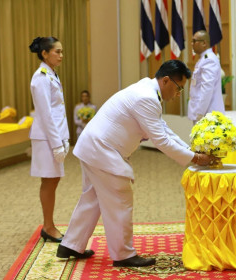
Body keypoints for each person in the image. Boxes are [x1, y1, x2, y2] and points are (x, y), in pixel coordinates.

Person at [56, 60, 217, 267]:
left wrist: (189, 149)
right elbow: (161, 140)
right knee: (120, 198)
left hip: (94, 147)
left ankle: (70, 244)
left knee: (93, 198)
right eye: (179, 88)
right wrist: (194, 158)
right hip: (101, 150)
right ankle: (123, 255)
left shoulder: (147, 90)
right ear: (166, 80)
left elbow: (163, 129)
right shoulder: (147, 97)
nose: (178, 94)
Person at [29, 36, 69, 243]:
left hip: (53, 136)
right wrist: (56, 144)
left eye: (62, 51)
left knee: (54, 179)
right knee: (49, 180)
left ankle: (50, 224)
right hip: (46, 138)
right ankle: (48, 226)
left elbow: (57, 111)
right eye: (57, 52)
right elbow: (45, 114)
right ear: (45, 54)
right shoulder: (41, 77)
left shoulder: (51, 74)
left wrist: (65, 139)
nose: (61, 55)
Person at [188, 30, 224, 125]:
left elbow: (206, 89)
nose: (192, 44)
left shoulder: (208, 60)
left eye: (194, 41)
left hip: (207, 114)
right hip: (204, 113)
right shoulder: (204, 58)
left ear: (204, 43)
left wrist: (199, 114)